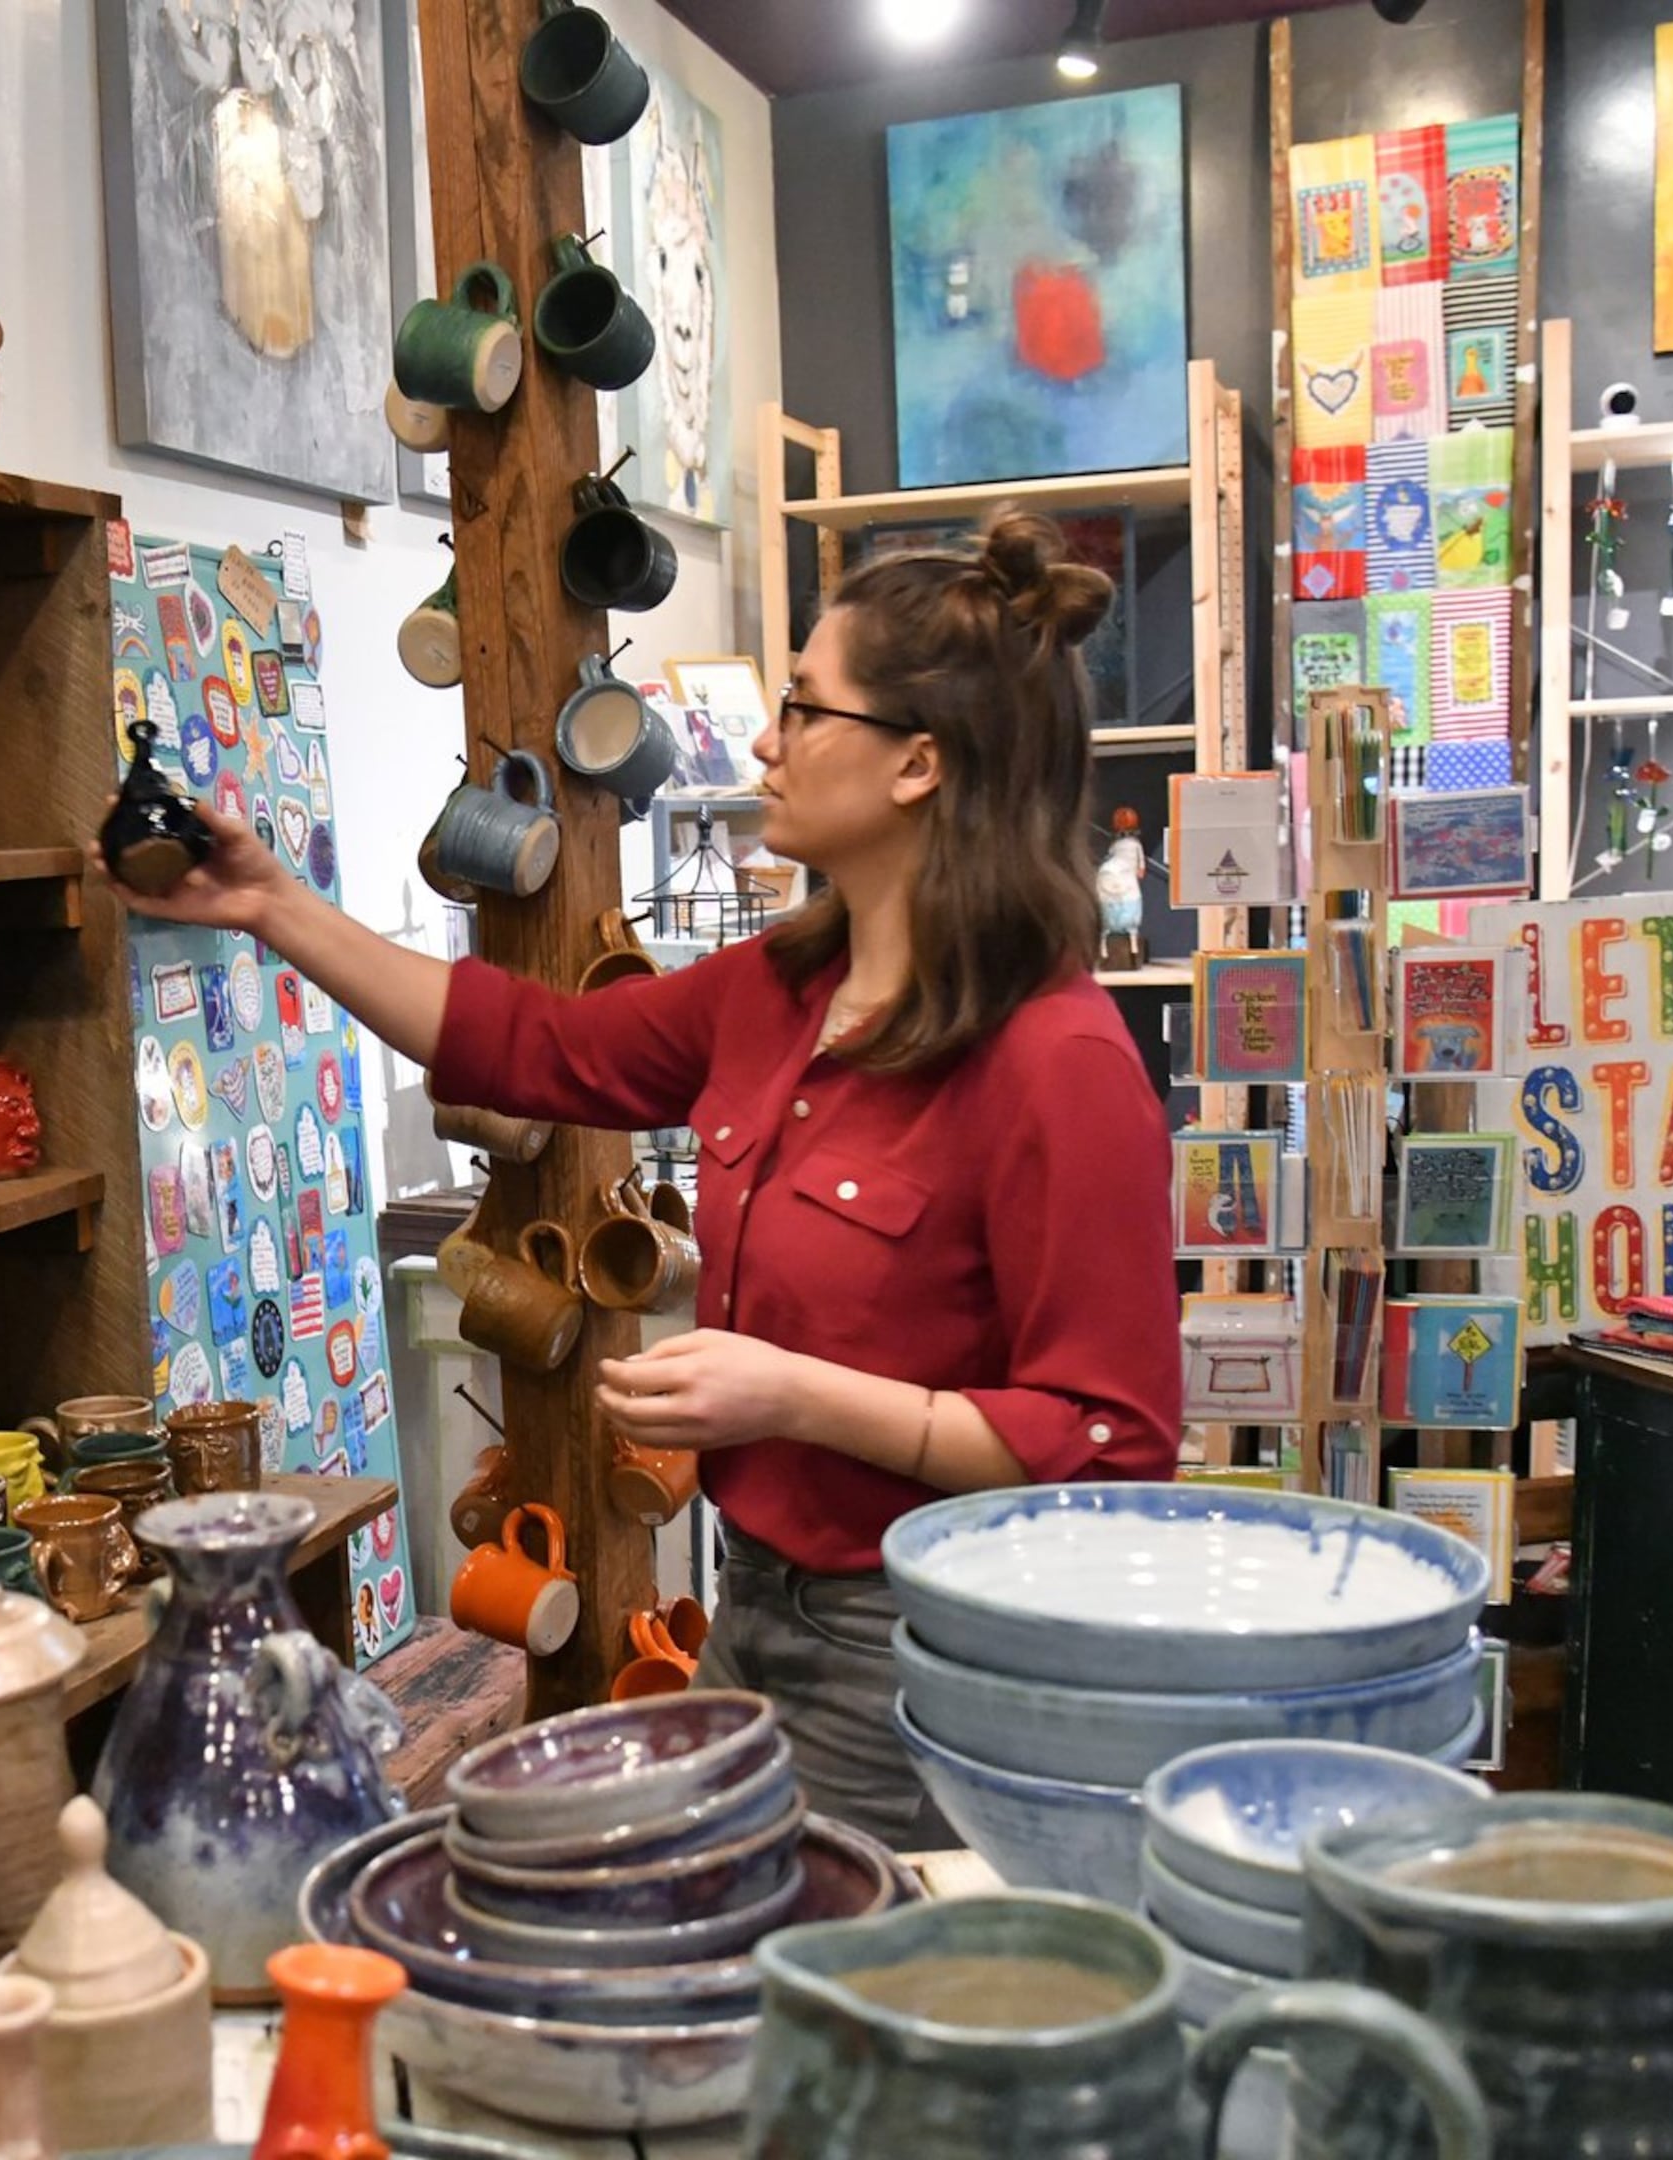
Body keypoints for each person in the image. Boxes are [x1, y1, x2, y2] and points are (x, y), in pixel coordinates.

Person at [106, 512, 1181, 1848]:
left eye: (802, 705)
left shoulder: (1055, 1063)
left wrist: (797, 1396)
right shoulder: (785, 991)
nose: (769, 739)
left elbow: (1108, 1436)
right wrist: (274, 906)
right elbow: (534, 1045)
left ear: (918, 763)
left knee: (812, 1998)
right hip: (760, 1613)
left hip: (922, 1657)